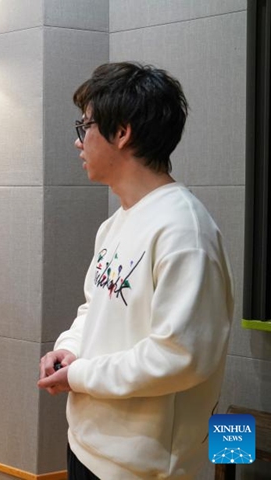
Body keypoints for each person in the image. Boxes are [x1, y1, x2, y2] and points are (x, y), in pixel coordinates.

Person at [37, 62, 234, 479]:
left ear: (122, 132)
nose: (79, 142)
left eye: (85, 126)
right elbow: (95, 307)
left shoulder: (184, 230)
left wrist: (82, 374)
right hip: (86, 444)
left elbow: (179, 357)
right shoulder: (116, 223)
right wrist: (70, 348)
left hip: (145, 468)